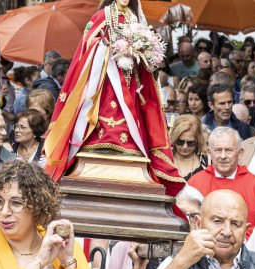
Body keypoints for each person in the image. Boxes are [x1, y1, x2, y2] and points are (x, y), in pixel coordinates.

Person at [41, 0, 183, 198]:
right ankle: (98, 141)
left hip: (129, 80)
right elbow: (86, 46)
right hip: (104, 81)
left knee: (132, 111)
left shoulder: (135, 18)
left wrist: (142, 52)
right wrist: (105, 47)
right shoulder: (102, 16)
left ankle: (131, 146)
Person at [186, 127, 255, 238]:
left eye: (228, 150)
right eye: (218, 150)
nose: (223, 156)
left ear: (240, 153)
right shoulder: (195, 183)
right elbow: (186, 222)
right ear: (209, 152)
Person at [169, 114, 211, 181]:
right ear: (174, 139)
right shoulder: (164, 158)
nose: (185, 147)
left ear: (198, 140)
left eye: (190, 143)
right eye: (180, 142)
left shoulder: (207, 160)